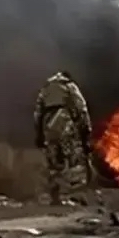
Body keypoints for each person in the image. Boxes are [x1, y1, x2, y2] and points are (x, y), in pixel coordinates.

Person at [33, 70, 93, 205]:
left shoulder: (46, 89)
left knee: (54, 162)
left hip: (48, 126)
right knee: (73, 160)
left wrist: (39, 134)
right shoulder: (70, 86)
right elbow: (82, 109)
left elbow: (37, 113)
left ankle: (56, 197)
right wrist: (86, 133)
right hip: (66, 124)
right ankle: (75, 195)